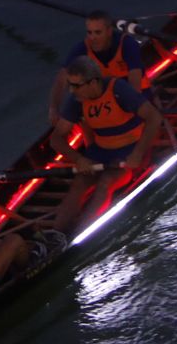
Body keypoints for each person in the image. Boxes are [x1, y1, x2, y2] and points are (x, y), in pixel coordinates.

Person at [49, 56, 162, 235]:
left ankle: (82, 234)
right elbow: (55, 139)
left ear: (93, 82)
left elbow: (154, 118)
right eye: (70, 85)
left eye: (76, 85)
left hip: (130, 149)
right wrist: (79, 159)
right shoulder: (77, 100)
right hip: (100, 152)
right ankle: (55, 236)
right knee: (79, 183)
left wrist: (138, 154)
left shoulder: (119, 90)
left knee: (105, 183)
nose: (72, 90)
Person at [48, 11, 143, 127]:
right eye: (89, 32)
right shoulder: (82, 48)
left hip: (136, 93)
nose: (93, 38)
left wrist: (130, 105)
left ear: (109, 32)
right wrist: (54, 108)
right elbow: (62, 79)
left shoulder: (128, 44)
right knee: (77, 96)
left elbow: (135, 79)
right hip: (106, 95)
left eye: (98, 33)